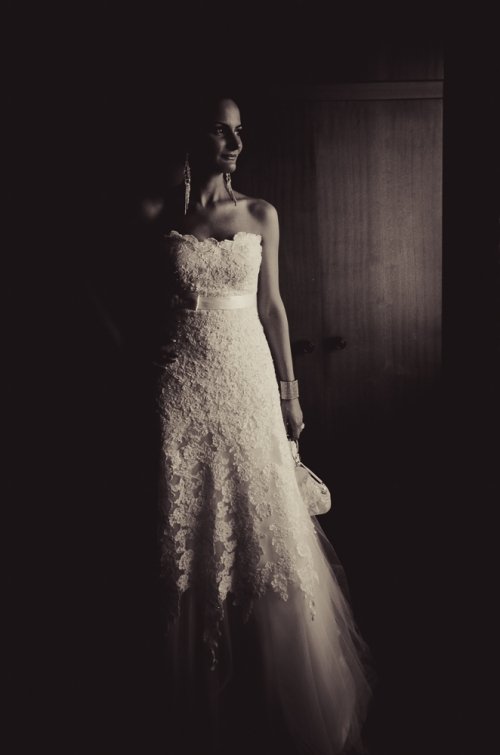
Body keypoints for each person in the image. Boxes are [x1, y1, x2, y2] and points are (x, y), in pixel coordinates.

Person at [141, 93, 372, 755]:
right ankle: (194, 696)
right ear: (194, 136)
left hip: (248, 382)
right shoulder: (159, 214)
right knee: (188, 524)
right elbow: (107, 286)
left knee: (263, 519)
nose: (236, 143)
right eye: (221, 131)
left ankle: (273, 690)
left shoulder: (261, 214)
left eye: (239, 131)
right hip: (181, 386)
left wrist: (290, 394)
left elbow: (273, 308)